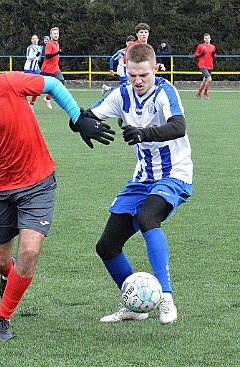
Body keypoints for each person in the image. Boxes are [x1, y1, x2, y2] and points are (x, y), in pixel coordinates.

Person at [0, 48, 115, 342]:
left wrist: (77, 117)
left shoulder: (9, 82)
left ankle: (3, 318)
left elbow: (52, 84)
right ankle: (9, 277)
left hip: (38, 182)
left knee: (29, 251)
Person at [78, 43, 193, 324]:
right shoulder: (122, 95)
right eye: (133, 75)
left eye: (144, 75)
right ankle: (135, 305)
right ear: (126, 71)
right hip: (142, 178)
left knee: (147, 217)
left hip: (174, 174)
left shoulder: (165, 91)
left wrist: (145, 133)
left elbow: (179, 126)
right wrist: (79, 123)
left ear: (155, 69)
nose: (138, 81)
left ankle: (165, 297)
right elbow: (86, 116)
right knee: (106, 246)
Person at [40, 27, 64, 110]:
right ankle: (31, 103)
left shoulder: (57, 44)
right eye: (54, 33)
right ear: (51, 35)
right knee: (38, 87)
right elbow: (47, 56)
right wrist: (57, 52)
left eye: (57, 33)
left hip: (55, 68)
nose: (56, 35)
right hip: (47, 69)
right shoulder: (49, 44)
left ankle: (47, 99)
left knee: (61, 82)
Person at [194, 33, 217, 100]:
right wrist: (200, 54)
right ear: (204, 39)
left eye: (208, 38)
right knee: (209, 79)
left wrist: (214, 54)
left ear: (210, 39)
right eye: (206, 38)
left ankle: (199, 93)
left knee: (205, 81)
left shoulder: (213, 47)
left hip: (210, 65)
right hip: (203, 65)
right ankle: (205, 93)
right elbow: (195, 55)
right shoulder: (200, 46)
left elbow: (215, 56)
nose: (207, 39)